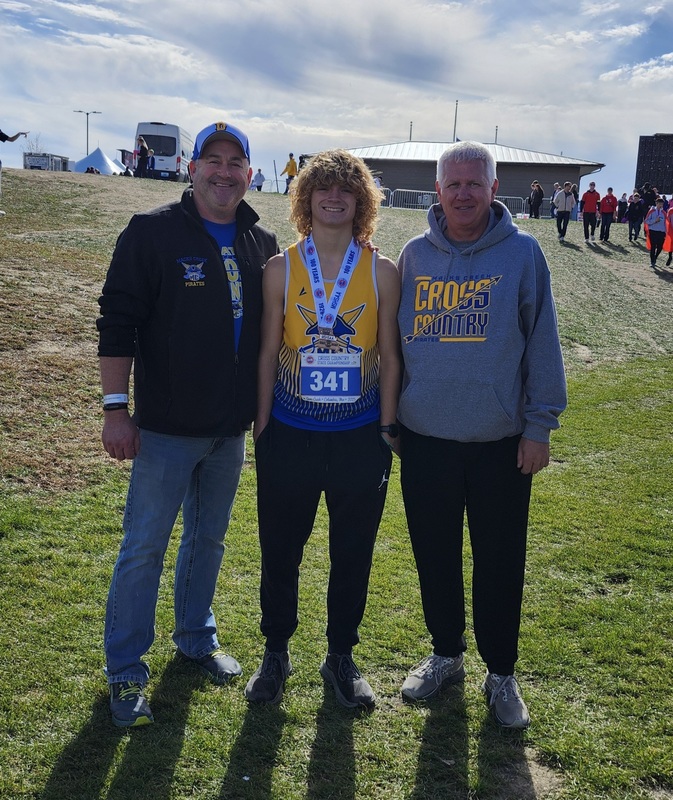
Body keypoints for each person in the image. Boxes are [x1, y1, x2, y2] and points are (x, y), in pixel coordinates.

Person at [96, 121, 279, 728]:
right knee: (144, 547)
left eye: (236, 162)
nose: (224, 172)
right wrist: (114, 408)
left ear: (249, 174)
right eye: (212, 160)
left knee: (208, 539)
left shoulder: (262, 243)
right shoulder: (151, 233)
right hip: (167, 429)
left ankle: (196, 637)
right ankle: (125, 669)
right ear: (191, 168)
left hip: (229, 431)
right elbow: (117, 320)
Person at [396, 141, 567, 729]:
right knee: (434, 555)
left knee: (499, 560)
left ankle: (502, 672)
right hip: (425, 439)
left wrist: (539, 425)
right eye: (453, 184)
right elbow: (394, 344)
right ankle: (445, 654)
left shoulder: (522, 254)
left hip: (500, 442)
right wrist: (393, 417)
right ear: (436, 191)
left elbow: (542, 342)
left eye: (475, 183)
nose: (463, 194)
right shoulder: (415, 255)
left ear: (495, 189)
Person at [245, 149, 401, 709]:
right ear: (305, 198)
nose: (334, 199)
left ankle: (340, 655)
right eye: (322, 190)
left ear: (361, 203)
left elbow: (389, 354)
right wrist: (262, 427)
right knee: (280, 548)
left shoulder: (383, 270)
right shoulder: (280, 268)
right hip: (289, 432)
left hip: (360, 436)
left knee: (352, 550)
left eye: (346, 191)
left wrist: (387, 428)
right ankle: (275, 651)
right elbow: (267, 351)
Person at [644, 197, 667, 269]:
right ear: (656, 204)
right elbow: (646, 221)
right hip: (653, 231)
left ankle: (655, 257)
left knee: (660, 247)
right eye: (659, 203)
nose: (661, 205)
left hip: (661, 232)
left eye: (662, 204)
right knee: (653, 246)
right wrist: (654, 220)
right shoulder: (651, 211)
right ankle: (652, 261)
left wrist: (666, 232)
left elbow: (666, 223)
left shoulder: (664, 213)